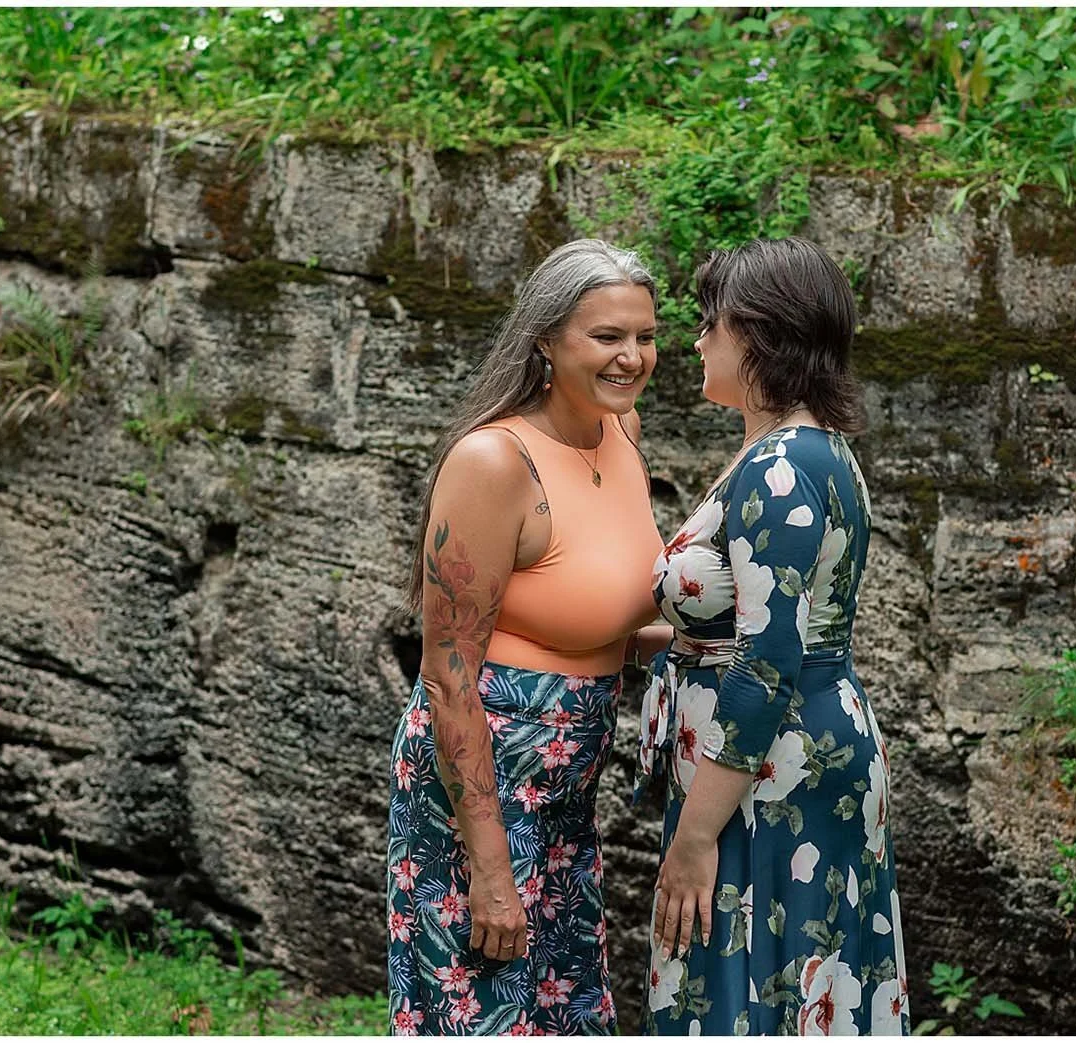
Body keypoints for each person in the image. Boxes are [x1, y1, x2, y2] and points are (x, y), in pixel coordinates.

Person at [387, 239, 667, 1035]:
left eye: (645, 336)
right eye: (607, 336)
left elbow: (597, 622)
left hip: (567, 791)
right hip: (481, 789)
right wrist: (488, 866)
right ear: (545, 340)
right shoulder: (494, 461)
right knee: (485, 1010)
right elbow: (448, 674)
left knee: (565, 1010)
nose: (632, 357)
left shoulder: (621, 431)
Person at [636, 236, 909, 1034]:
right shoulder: (810, 451)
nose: (697, 341)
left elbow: (765, 664)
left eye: (710, 323)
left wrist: (695, 837)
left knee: (754, 986)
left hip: (770, 771)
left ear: (759, 332)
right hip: (787, 753)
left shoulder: (781, 466)